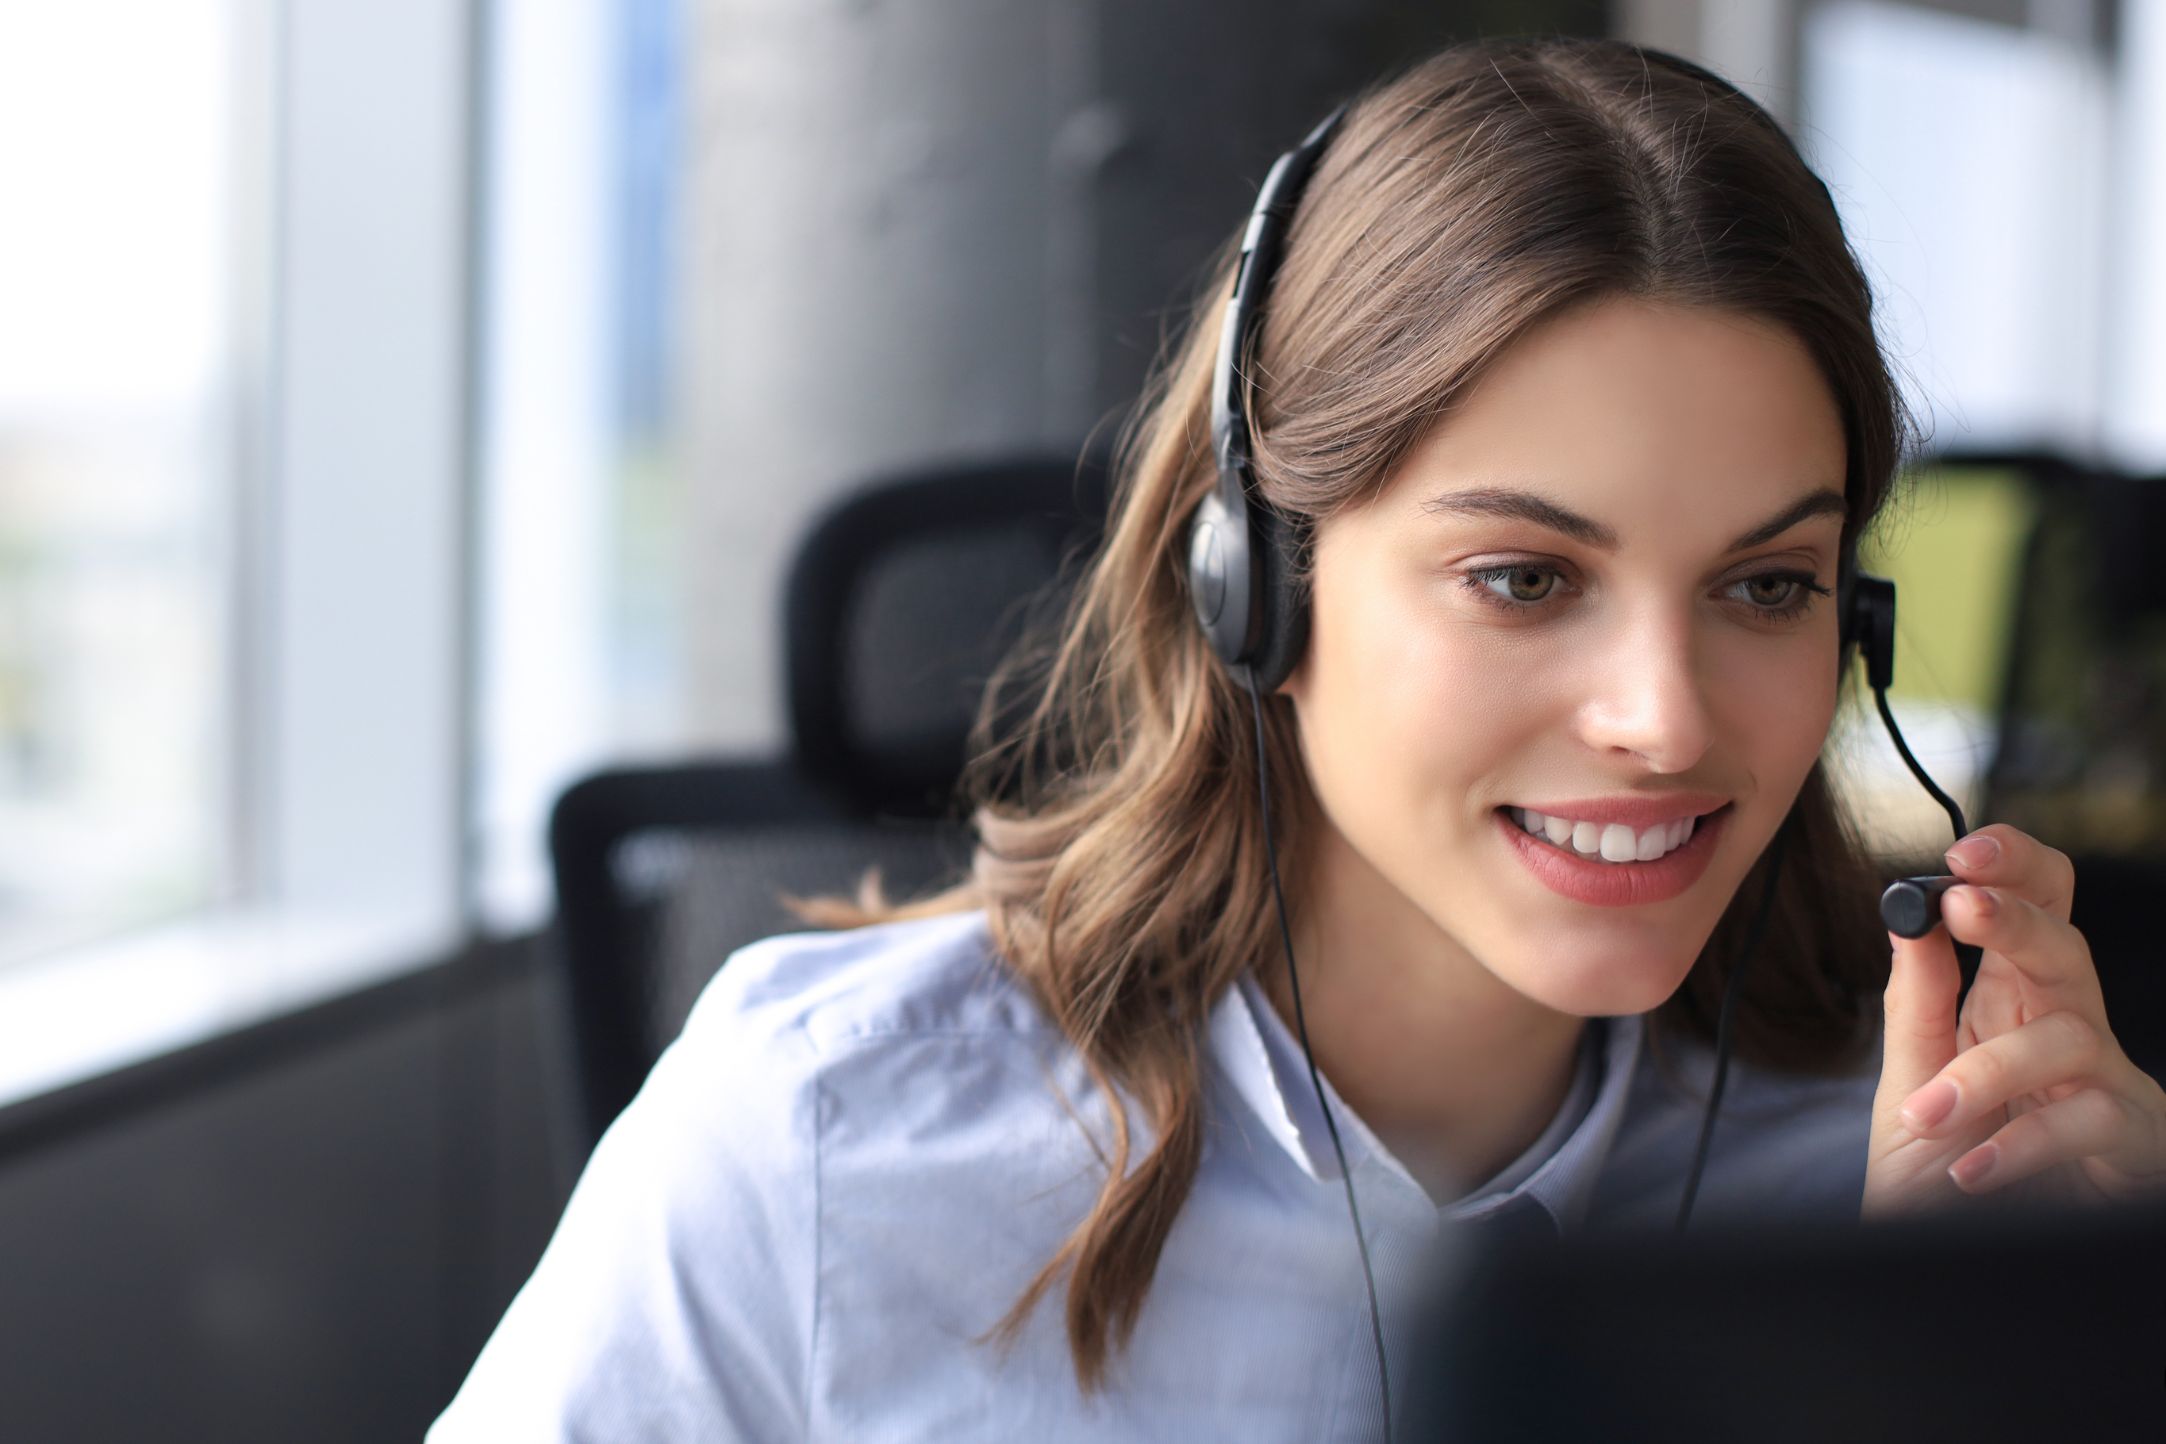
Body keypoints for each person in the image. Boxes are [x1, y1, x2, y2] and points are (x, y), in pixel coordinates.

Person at [430, 34, 2166, 1442]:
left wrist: (2003, 1342)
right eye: (1522, 575)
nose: (1663, 718)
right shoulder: (826, 1146)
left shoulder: (1915, 1168)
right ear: (1256, 583)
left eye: (1765, 586)